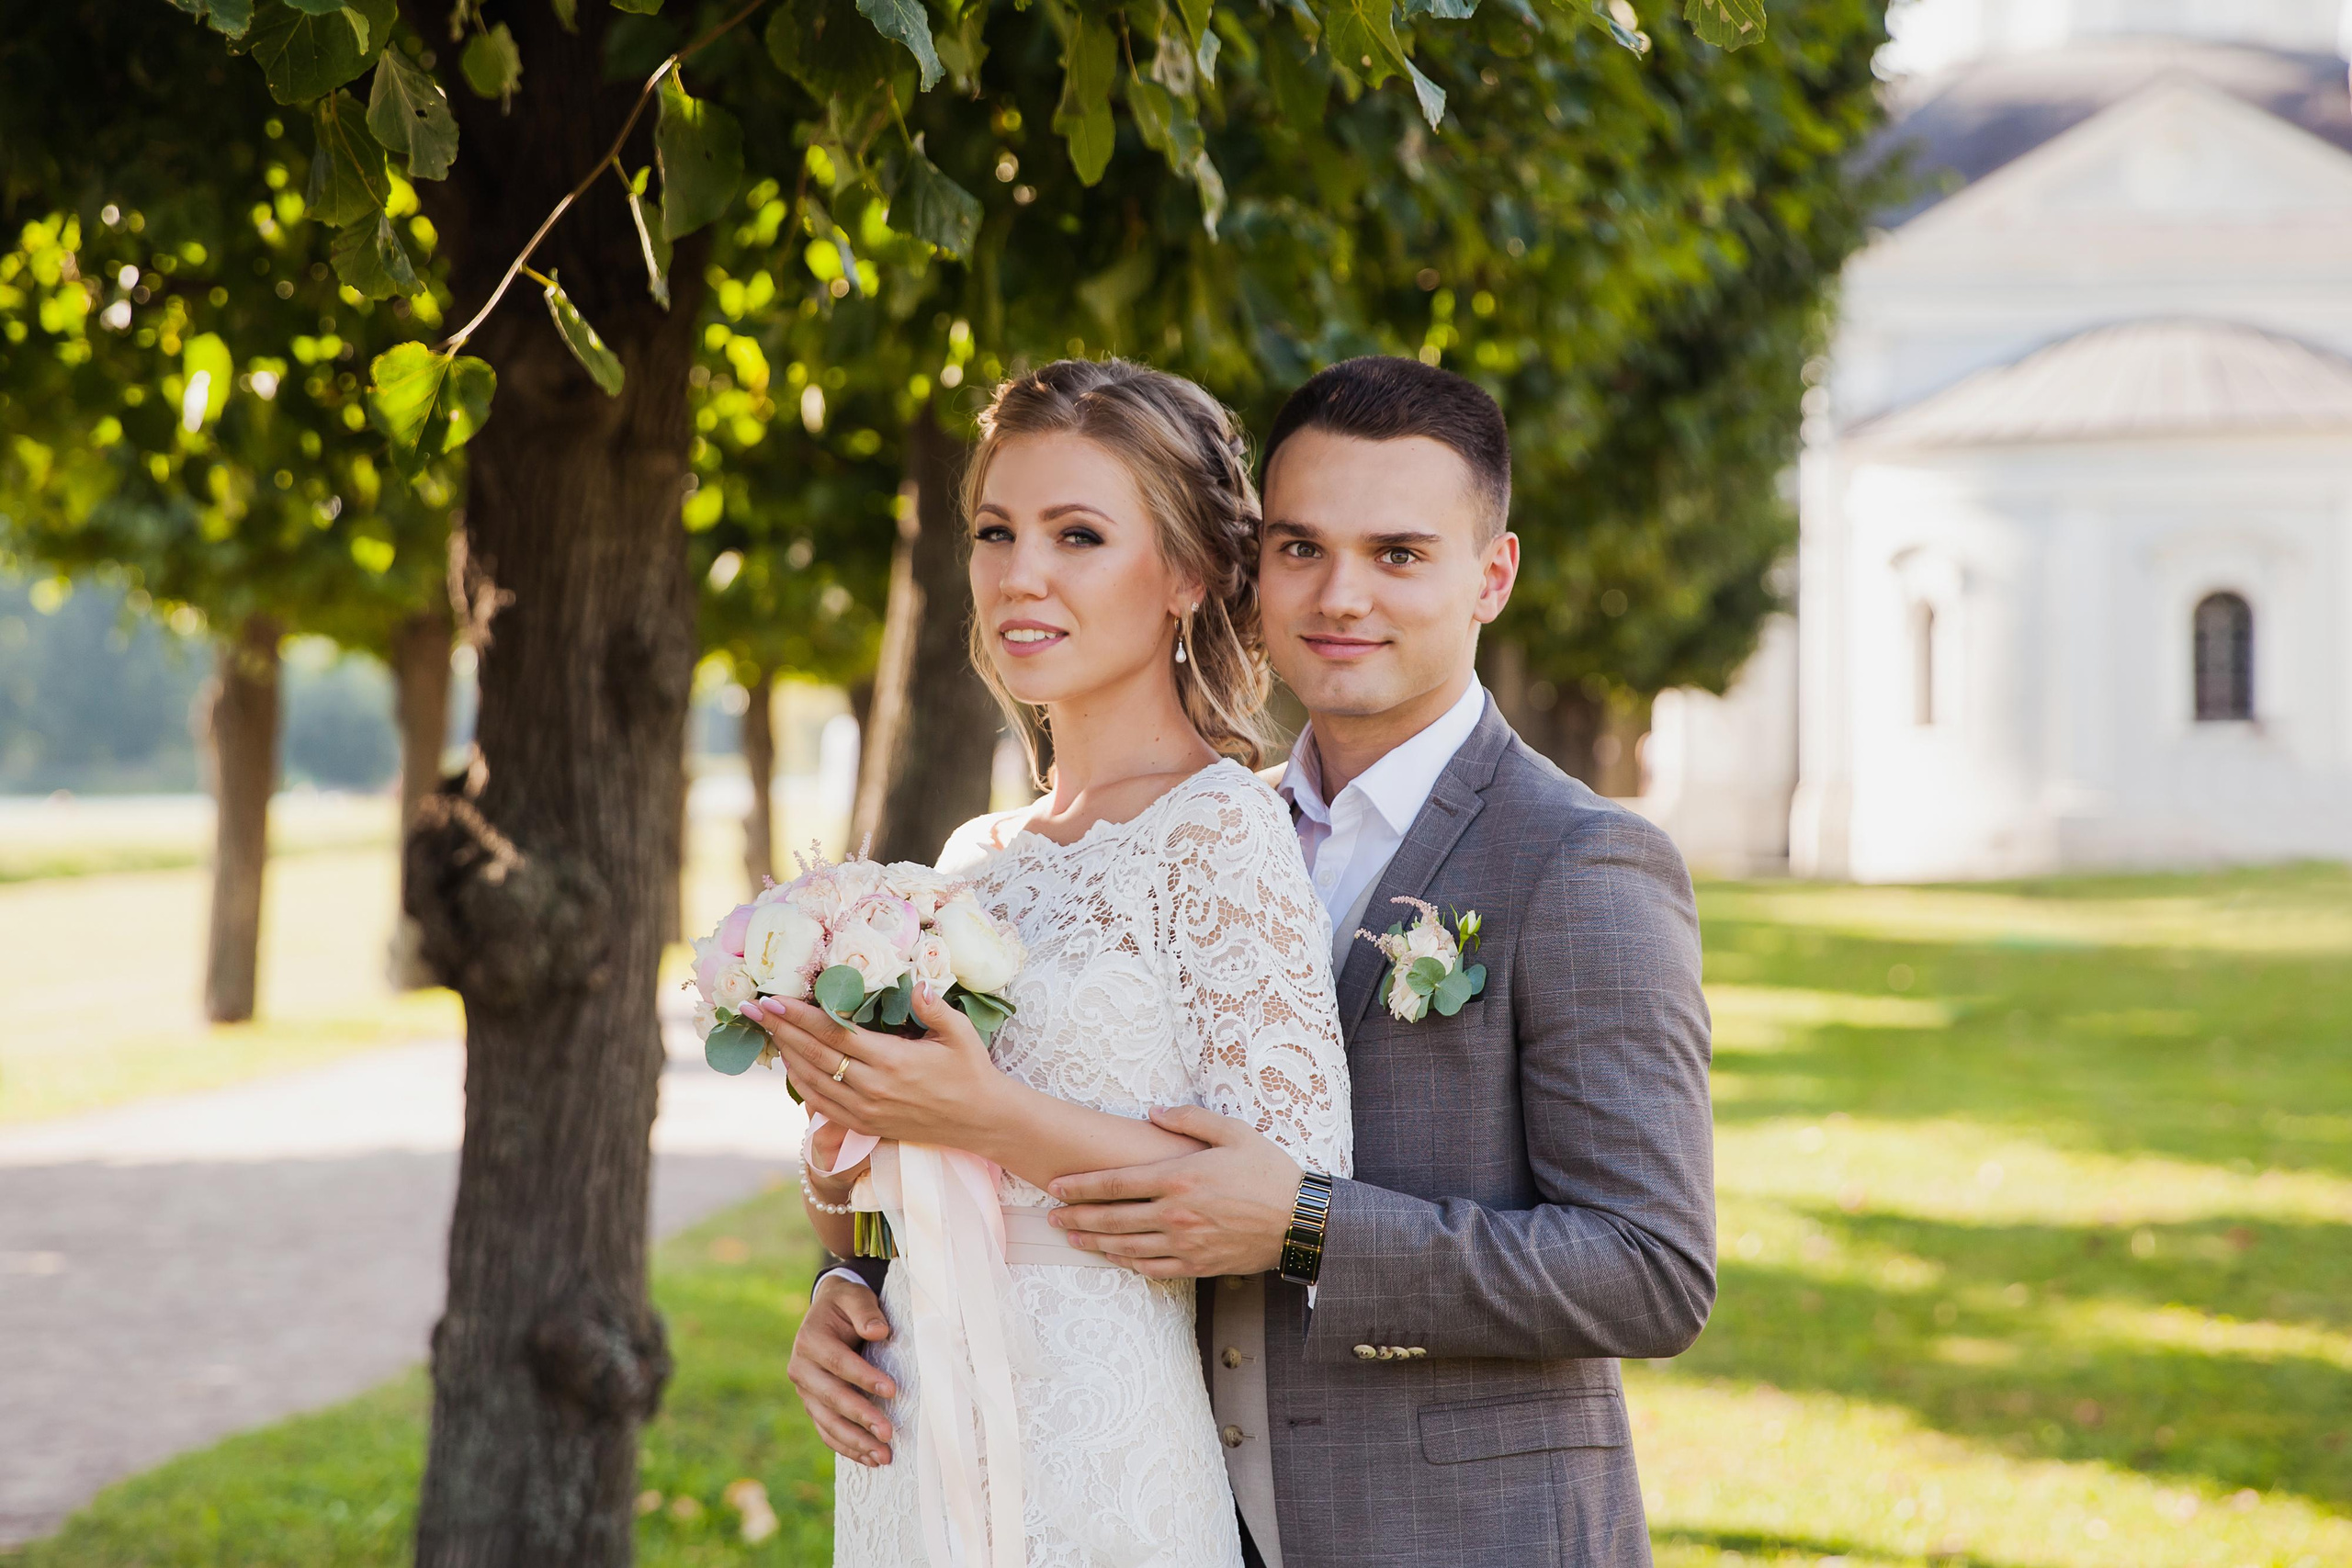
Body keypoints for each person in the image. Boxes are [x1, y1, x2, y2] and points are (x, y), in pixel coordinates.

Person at [786, 355, 1716, 1568]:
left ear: (1492, 575)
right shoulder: (1220, 823)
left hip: (1445, 1532)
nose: (1340, 596)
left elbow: (1650, 1273)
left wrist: (1313, 1226)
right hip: (1148, 1481)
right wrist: (844, 1288)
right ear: (1245, 565)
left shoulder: (1582, 863)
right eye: (1299, 548)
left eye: (1398, 554)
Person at [741, 358, 1353, 1568]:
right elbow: (886, 1205)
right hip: (911, 1429)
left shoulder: (1220, 827)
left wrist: (986, 1113)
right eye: (996, 530)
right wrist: (840, 1242)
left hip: (1103, 1444)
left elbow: (1285, 1195)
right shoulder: (969, 862)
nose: (1021, 572)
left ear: (1186, 575)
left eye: (1078, 534)